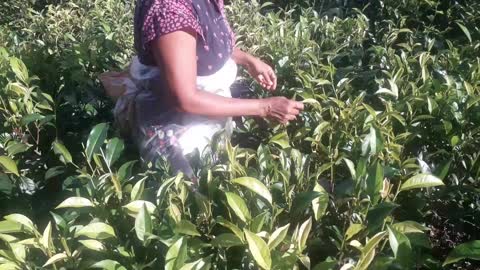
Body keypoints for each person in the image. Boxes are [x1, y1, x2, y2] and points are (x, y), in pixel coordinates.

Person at [110, 0, 304, 179]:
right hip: (173, 127)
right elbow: (185, 99)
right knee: (189, 198)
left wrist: (247, 59)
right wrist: (265, 107)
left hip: (202, 115)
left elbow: (202, 42)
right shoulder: (169, 10)